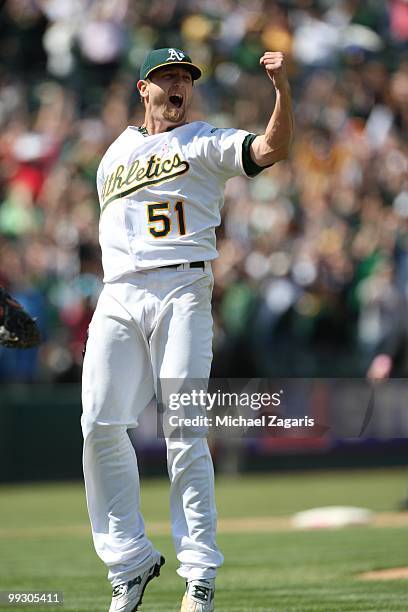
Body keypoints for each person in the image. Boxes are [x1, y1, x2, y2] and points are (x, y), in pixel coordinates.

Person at [81, 47, 293, 612]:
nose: (177, 86)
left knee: (184, 429)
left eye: (184, 78)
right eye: (166, 78)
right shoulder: (114, 155)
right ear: (142, 88)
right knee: (100, 424)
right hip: (119, 292)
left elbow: (272, 148)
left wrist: (282, 92)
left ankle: (199, 574)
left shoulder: (203, 140)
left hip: (182, 288)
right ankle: (129, 561)